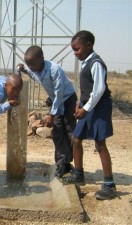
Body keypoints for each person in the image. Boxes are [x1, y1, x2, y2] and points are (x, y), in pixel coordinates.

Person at [62, 30, 116, 200]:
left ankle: (109, 185)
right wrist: (80, 102)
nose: (75, 53)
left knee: (100, 144)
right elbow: (87, 87)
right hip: (88, 106)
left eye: (77, 49)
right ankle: (78, 174)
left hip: (98, 108)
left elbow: (99, 90)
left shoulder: (96, 63)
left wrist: (86, 108)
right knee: (76, 139)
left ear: (89, 45)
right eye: (73, 50)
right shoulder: (86, 62)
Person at [18, 46, 77, 178]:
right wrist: (24, 70)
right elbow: (34, 75)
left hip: (67, 99)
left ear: (42, 59)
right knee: (57, 131)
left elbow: (59, 93)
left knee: (68, 130)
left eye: (33, 64)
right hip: (56, 100)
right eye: (29, 64)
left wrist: (52, 114)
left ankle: (68, 163)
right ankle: (61, 163)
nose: (31, 67)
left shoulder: (54, 69)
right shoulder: (36, 69)